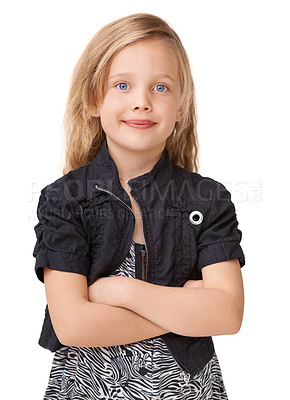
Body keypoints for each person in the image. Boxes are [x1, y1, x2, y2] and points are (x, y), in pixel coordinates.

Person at [33, 12, 245, 400]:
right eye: (123, 85)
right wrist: (186, 307)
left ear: (181, 106)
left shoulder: (208, 198)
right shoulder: (64, 200)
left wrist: (121, 291)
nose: (142, 102)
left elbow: (227, 315)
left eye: (161, 87)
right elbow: (74, 326)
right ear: (94, 99)